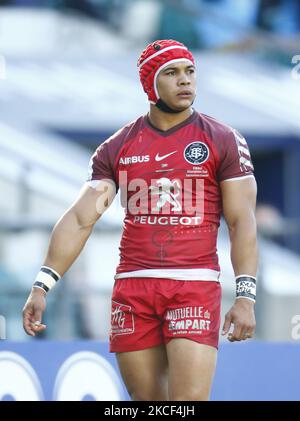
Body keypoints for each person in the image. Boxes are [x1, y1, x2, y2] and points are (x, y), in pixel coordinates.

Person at [22, 39, 258, 401]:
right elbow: (82, 218)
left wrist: (246, 296)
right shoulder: (117, 148)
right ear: (150, 85)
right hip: (133, 291)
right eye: (172, 73)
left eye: (190, 72)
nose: (185, 81)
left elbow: (242, 222)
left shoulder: (223, 140)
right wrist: (42, 285)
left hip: (193, 286)